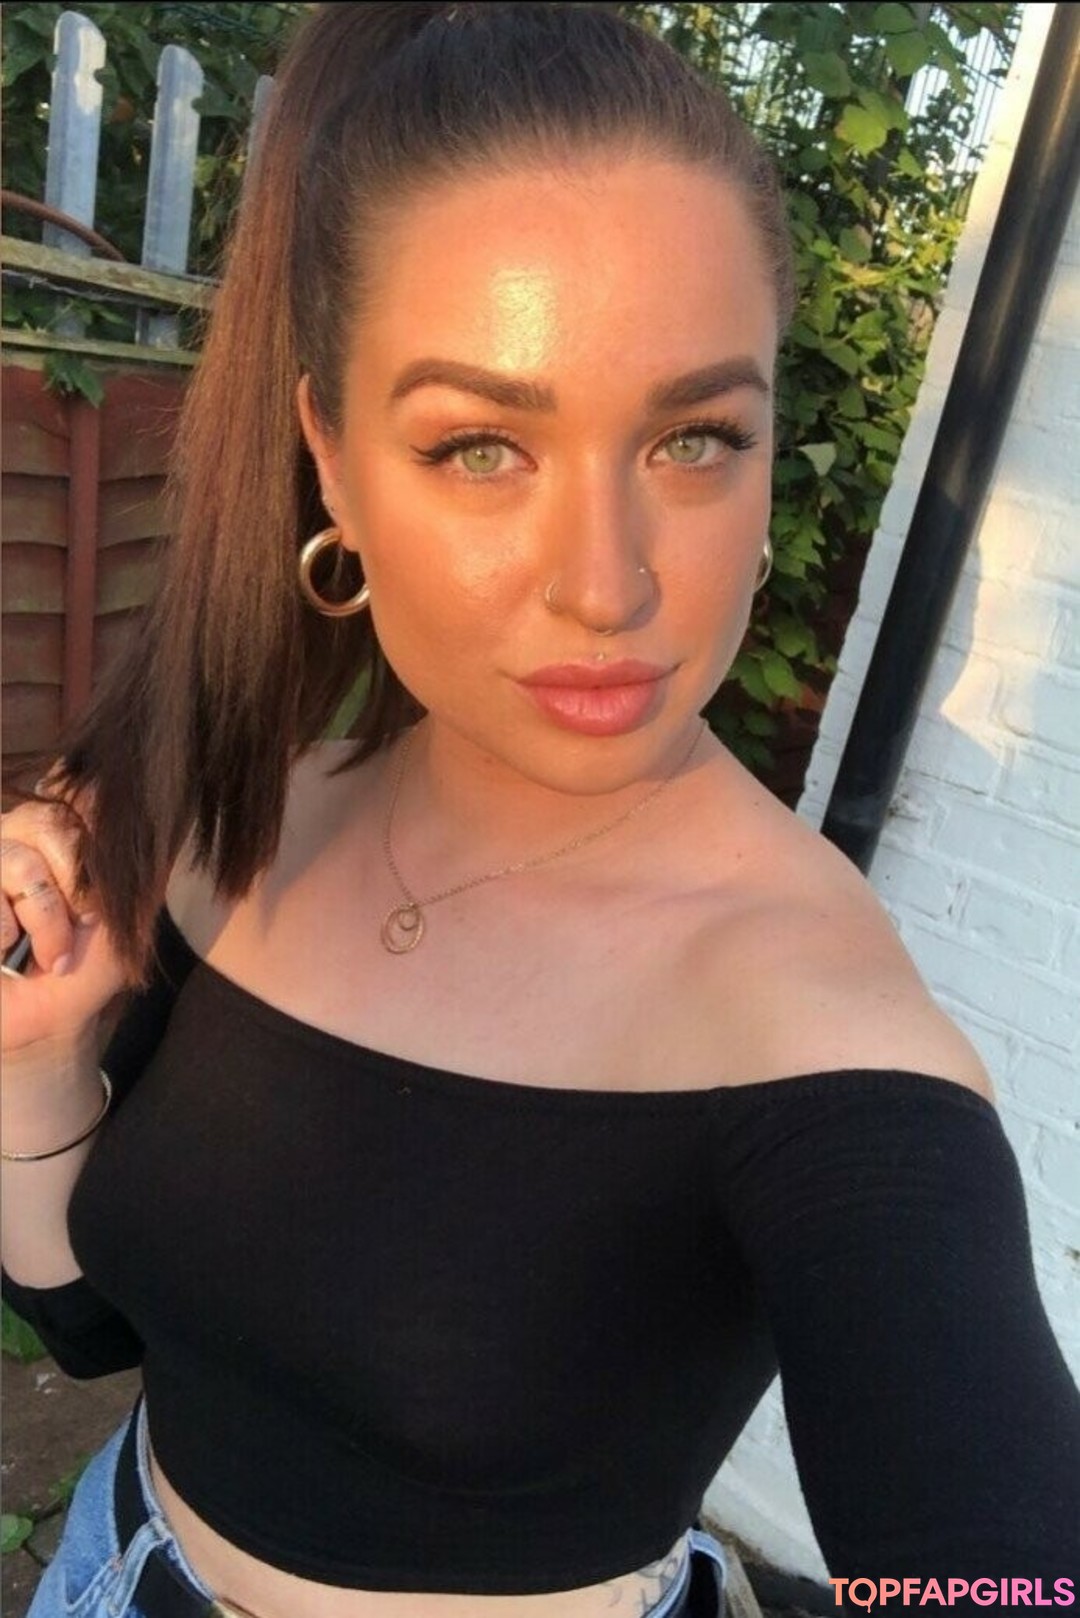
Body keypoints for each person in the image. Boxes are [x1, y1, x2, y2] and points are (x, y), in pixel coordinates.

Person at [2, 5, 1079, 1616]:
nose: (608, 584)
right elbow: (94, 1322)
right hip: (109, 1566)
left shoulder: (813, 1022)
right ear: (331, 457)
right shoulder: (247, 806)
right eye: (483, 446)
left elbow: (999, 1556)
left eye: (695, 438)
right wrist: (39, 1061)